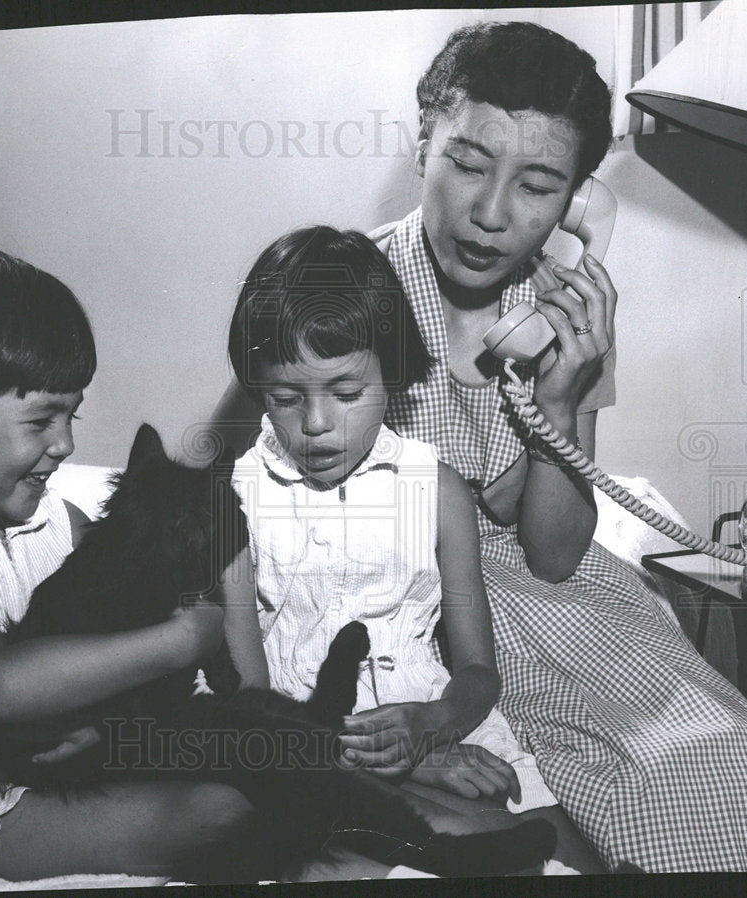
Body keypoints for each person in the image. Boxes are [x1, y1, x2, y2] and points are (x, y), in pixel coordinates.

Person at [366, 21, 747, 871]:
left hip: (563, 597)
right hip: (409, 602)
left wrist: (560, 398)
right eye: (466, 162)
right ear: (422, 140)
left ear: (579, 201)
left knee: (727, 758)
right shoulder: (345, 288)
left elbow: (553, 553)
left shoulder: (571, 315)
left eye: (538, 184)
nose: (492, 213)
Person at [0, 244, 404, 885]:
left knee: (295, 775)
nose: (67, 444)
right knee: (223, 812)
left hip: (86, 757)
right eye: (42, 420)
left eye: (71, 415)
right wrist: (181, 640)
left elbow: (177, 660)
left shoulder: (60, 524)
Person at [222, 225, 604, 874]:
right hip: (303, 748)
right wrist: (397, 759)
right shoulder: (234, 501)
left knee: (570, 858)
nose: (316, 425)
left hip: (438, 723)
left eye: (346, 393)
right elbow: (248, 704)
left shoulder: (436, 491)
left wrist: (435, 727)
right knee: (477, 847)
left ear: (392, 375)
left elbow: (479, 671)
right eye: (285, 398)